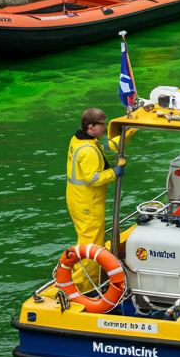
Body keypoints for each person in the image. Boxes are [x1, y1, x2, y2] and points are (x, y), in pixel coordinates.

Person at [65, 108, 126, 292]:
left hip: (78, 198)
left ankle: (78, 271)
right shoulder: (89, 151)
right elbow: (93, 178)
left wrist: (126, 135)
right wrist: (114, 173)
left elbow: (105, 146)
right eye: (102, 124)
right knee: (92, 243)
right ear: (91, 126)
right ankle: (86, 286)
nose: (105, 127)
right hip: (88, 203)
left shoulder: (79, 140)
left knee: (86, 238)